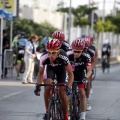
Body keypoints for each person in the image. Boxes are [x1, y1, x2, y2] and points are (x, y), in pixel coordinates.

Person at [34, 39, 74, 120]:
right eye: (49, 52)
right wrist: (38, 87)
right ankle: (47, 111)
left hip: (61, 70)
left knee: (62, 93)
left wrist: (69, 87)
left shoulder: (64, 57)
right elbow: (40, 74)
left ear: (58, 52)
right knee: (47, 86)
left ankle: (65, 116)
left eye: (53, 53)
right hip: (50, 69)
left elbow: (70, 74)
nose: (50, 55)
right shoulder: (44, 57)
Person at [67, 38, 92, 120]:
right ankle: (67, 111)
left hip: (80, 74)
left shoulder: (86, 56)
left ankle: (82, 116)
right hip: (70, 74)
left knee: (82, 93)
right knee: (66, 92)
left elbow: (89, 70)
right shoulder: (68, 54)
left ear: (83, 50)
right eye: (74, 51)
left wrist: (85, 78)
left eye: (79, 51)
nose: (76, 53)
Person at [84, 35, 98, 111]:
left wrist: (91, 68)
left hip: (88, 64)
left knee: (88, 80)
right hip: (80, 66)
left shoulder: (92, 50)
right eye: (84, 47)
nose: (85, 49)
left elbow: (93, 60)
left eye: (86, 47)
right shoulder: (77, 50)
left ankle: (87, 99)